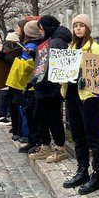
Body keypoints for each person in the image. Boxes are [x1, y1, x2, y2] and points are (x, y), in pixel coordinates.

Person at [61, 14, 99, 194]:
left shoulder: (95, 48)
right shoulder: (71, 47)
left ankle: (97, 174)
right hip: (72, 95)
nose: (78, 29)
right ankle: (82, 170)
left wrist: (85, 78)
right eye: (75, 26)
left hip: (89, 97)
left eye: (81, 26)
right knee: (78, 135)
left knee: (92, 136)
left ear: (87, 28)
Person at [28, 16, 69, 163]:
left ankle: (59, 148)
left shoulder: (57, 41)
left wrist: (39, 79)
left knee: (53, 119)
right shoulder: (52, 39)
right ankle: (46, 147)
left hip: (50, 88)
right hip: (44, 87)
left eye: (41, 28)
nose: (40, 31)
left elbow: (54, 65)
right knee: (39, 117)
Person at [18, 20, 43, 153]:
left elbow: (28, 65)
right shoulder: (29, 45)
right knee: (28, 113)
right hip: (28, 84)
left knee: (33, 116)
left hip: (31, 83)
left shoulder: (32, 46)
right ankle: (31, 140)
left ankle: (35, 141)